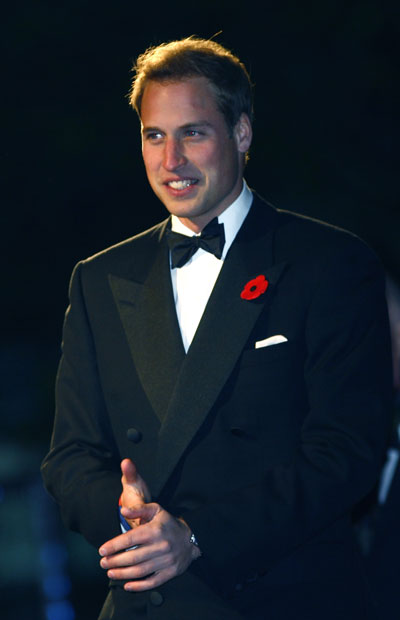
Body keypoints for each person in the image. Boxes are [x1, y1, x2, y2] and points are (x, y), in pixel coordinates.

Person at [41, 37, 393, 619]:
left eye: (193, 133)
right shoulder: (100, 278)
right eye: (155, 135)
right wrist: (127, 517)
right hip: (149, 601)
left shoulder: (330, 264)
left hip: (285, 595)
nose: (171, 160)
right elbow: (70, 455)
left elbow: (346, 451)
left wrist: (198, 535)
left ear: (242, 134)